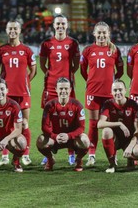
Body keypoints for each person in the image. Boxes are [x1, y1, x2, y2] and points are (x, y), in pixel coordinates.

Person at [0, 20, 37, 167]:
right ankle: (5, 155)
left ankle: (25, 155)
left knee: (24, 124)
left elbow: (33, 70)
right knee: (7, 125)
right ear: (6, 30)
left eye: (15, 29)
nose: (12, 31)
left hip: (23, 93)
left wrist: (24, 81)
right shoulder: (0, 50)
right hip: (7, 94)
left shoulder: (27, 50)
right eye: (10, 28)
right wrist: (4, 84)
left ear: (19, 31)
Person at [80, 21, 124, 166]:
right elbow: (83, 70)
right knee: (93, 124)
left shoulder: (114, 50)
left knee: (110, 125)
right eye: (98, 32)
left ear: (108, 34)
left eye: (104, 33)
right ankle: (91, 155)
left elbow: (120, 71)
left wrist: (111, 84)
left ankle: (113, 155)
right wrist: (92, 81)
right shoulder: (87, 50)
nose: (101, 35)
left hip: (109, 94)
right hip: (92, 92)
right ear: (94, 34)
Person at [39, 15, 80, 165]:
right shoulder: (46, 44)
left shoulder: (73, 43)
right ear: (54, 26)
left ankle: (71, 153)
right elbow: (43, 65)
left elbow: (75, 66)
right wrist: (53, 75)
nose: (60, 26)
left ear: (67, 25)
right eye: (58, 24)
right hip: (50, 86)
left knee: (71, 119)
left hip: (67, 86)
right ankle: (48, 151)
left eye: (63, 23)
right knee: (48, 120)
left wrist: (67, 78)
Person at [36, 77, 90, 171]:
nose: (63, 91)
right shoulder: (49, 105)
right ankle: (50, 159)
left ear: (70, 90)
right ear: (56, 89)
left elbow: (81, 128)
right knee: (40, 141)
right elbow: (44, 127)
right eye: (61, 89)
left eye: (66, 88)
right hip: (56, 139)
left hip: (72, 139)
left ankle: (78, 160)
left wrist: (69, 136)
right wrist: (54, 136)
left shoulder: (77, 105)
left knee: (85, 140)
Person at [97, 79, 138, 173]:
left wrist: (130, 146)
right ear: (111, 92)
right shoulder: (108, 104)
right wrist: (119, 124)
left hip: (129, 139)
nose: (118, 92)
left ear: (125, 90)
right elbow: (99, 124)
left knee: (137, 152)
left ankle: (130, 159)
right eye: (115, 90)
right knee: (106, 131)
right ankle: (112, 163)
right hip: (116, 139)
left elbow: (137, 131)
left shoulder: (133, 105)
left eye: (120, 90)